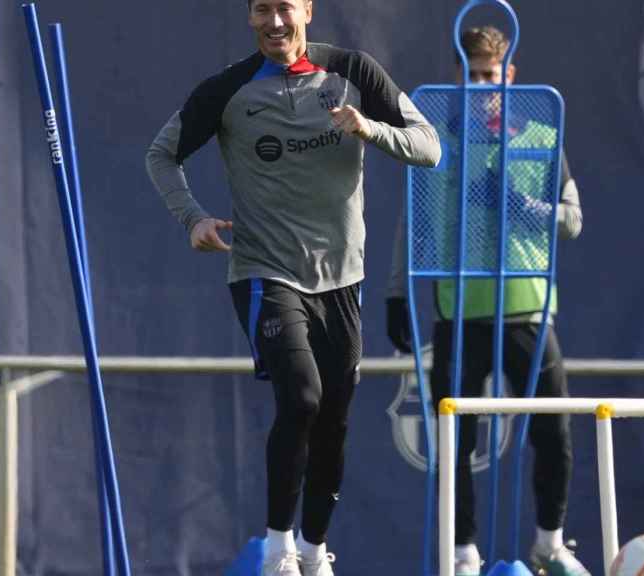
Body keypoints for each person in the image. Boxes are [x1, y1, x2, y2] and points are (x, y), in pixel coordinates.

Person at [146, 1, 441, 574]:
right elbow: (162, 155)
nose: (274, 22)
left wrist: (368, 127)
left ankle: (313, 550)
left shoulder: (353, 72)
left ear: (307, 9)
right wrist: (193, 218)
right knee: (302, 396)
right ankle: (278, 549)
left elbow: (429, 146)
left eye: (285, 7)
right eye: (262, 10)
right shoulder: (229, 89)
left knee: (335, 413)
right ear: (249, 17)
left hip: (343, 280)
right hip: (266, 271)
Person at [385, 26, 589, 576]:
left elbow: (572, 220)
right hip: (459, 312)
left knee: (554, 431)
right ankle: (464, 553)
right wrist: (396, 293)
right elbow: (414, 223)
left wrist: (525, 208)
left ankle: (549, 542)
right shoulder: (439, 144)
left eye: (490, 75)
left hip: (528, 308)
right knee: (454, 439)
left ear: (510, 77)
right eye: (471, 75)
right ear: (458, 78)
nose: (481, 85)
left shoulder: (543, 135)